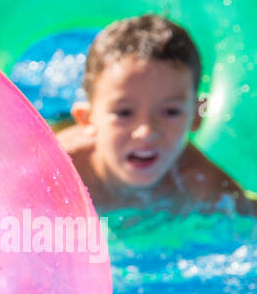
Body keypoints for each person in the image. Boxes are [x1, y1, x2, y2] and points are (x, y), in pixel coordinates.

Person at [56, 14, 252, 213]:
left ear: (197, 114)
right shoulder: (59, 172)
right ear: (87, 119)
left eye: (170, 111)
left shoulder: (203, 185)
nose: (146, 132)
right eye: (124, 113)